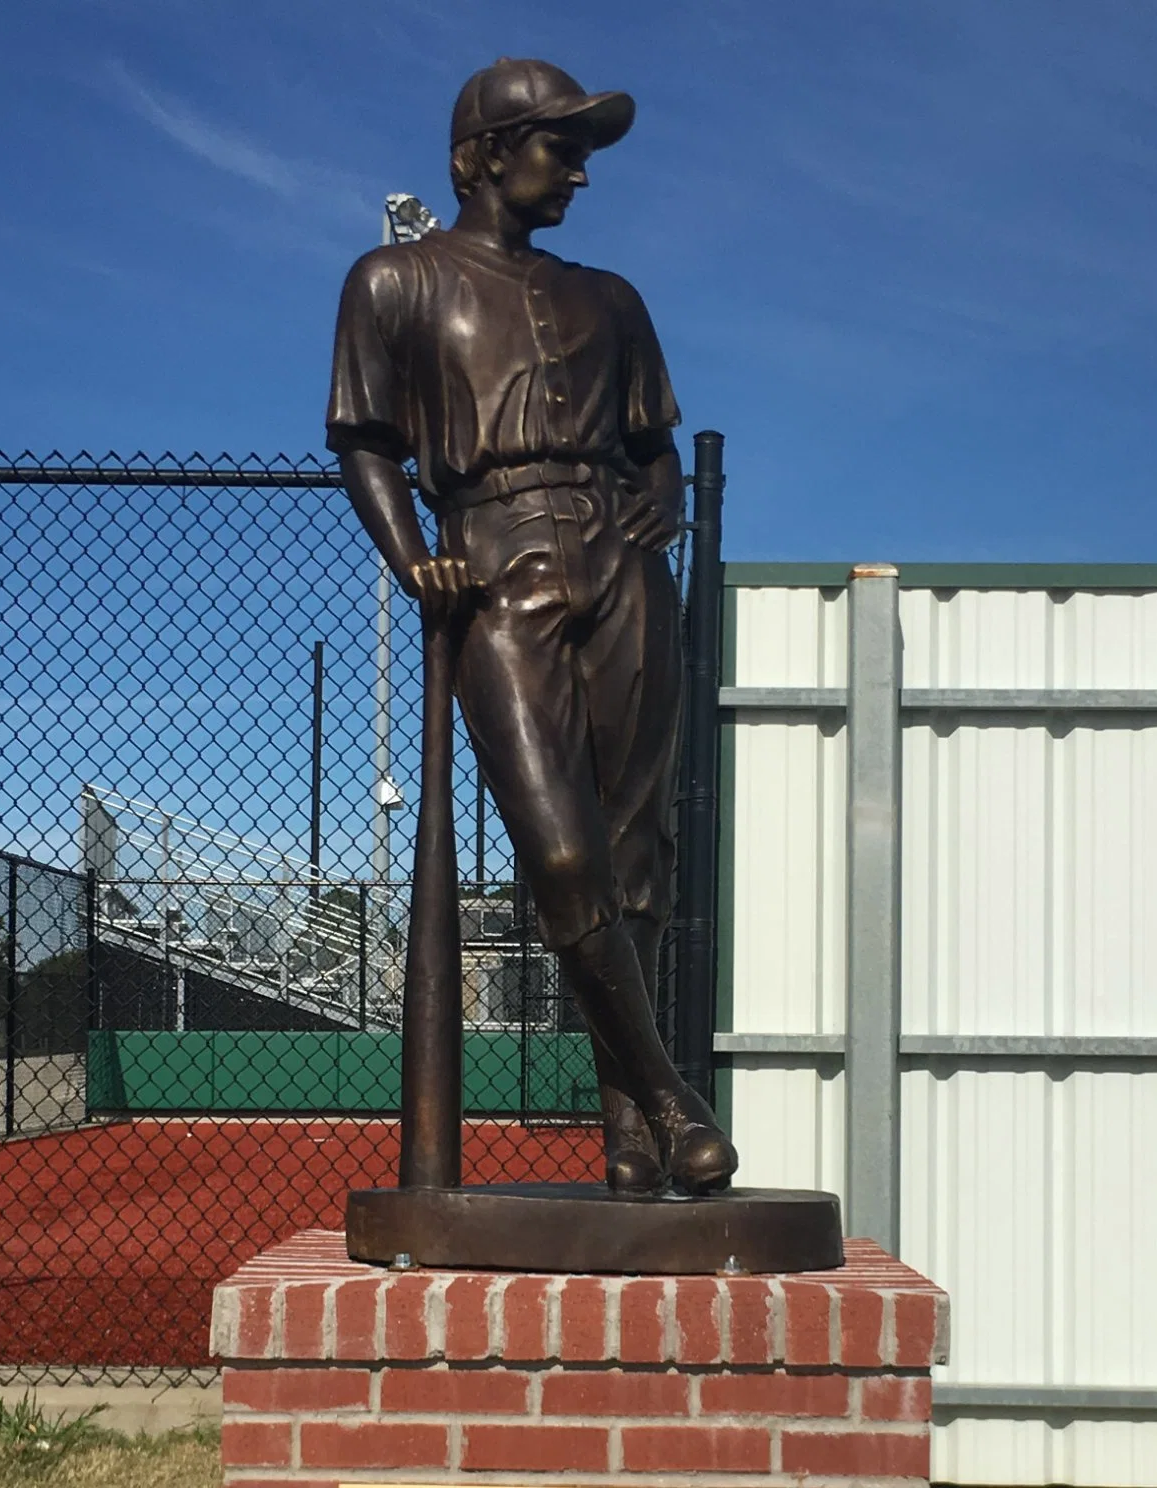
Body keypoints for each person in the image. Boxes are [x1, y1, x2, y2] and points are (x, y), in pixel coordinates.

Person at [326, 57, 737, 1196]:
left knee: (636, 853)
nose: (580, 174)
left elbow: (656, 440)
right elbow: (365, 441)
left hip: (624, 563)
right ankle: (666, 1093)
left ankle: (624, 1137)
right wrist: (415, 558)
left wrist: (660, 502)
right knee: (560, 850)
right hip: (494, 556)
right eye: (562, 148)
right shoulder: (394, 280)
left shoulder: (612, 298)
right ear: (489, 152)